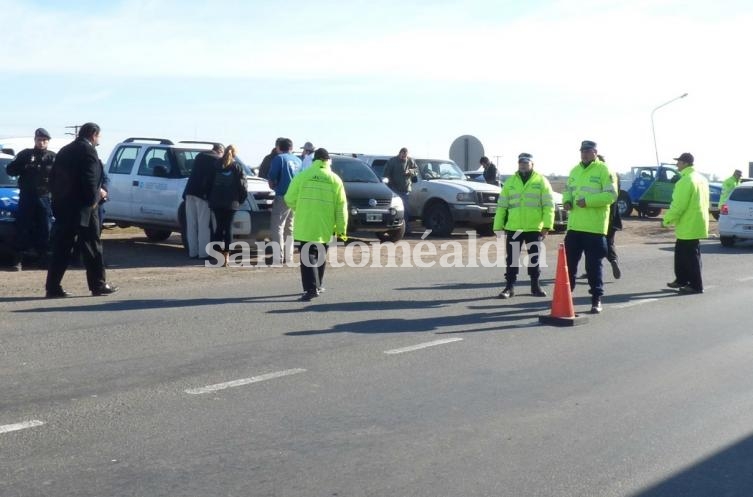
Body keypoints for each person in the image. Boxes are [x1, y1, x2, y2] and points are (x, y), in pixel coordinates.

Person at [45, 122, 118, 298]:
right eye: (99, 136)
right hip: (84, 208)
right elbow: (89, 180)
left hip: (64, 207)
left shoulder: (64, 150)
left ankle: (52, 287)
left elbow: (53, 178)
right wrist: (95, 200)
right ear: (93, 134)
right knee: (92, 247)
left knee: (61, 248)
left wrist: (58, 201)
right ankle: (98, 284)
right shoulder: (88, 151)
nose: (99, 140)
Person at [284, 148, 347, 301]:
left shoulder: (302, 176)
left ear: (314, 160)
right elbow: (341, 207)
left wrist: (299, 208)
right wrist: (341, 229)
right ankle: (318, 285)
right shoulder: (335, 179)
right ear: (328, 161)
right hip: (325, 224)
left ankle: (312, 289)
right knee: (320, 255)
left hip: (305, 223)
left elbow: (289, 198)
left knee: (308, 256)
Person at [562, 140, 617, 314]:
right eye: (582, 151)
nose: (584, 154)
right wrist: (567, 201)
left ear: (595, 152)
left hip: (594, 228)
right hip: (575, 227)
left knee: (593, 266)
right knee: (569, 265)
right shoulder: (574, 170)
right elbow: (567, 190)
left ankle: (596, 299)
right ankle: (565, 297)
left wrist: (588, 201)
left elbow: (611, 195)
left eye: (587, 151)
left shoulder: (604, 170)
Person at [493, 153, 554, 299]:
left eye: (526, 163)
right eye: (521, 163)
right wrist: (498, 226)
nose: (523, 165)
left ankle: (535, 286)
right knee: (512, 259)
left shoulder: (541, 181)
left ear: (532, 164)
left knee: (534, 259)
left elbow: (548, 205)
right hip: (514, 227)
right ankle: (509, 287)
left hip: (534, 228)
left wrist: (547, 226)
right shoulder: (510, 182)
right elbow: (502, 206)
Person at [5, 128, 57, 270]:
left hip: (45, 197)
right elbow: (10, 170)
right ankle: (18, 259)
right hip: (27, 196)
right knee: (23, 227)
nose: (42, 143)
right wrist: (24, 166)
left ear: (48, 142)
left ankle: (43, 259)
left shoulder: (53, 157)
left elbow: (61, 177)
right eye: (39, 140)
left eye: (45, 140)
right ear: (35, 140)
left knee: (45, 228)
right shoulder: (25, 154)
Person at [662, 152, 709, 294]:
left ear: (685, 163)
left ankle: (695, 285)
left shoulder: (685, 180)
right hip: (696, 222)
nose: (677, 164)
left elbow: (678, 205)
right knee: (682, 254)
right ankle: (682, 280)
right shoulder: (701, 179)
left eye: (679, 162)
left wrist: (666, 220)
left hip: (688, 223)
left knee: (690, 257)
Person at [207, 145, 247, 267]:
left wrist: (209, 197)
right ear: (234, 154)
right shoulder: (237, 167)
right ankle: (226, 257)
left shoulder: (215, 165)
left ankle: (215, 254)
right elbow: (242, 186)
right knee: (228, 228)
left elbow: (208, 182)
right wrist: (241, 199)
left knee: (219, 227)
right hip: (231, 203)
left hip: (216, 202)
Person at [183, 143, 224, 259]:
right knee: (203, 224)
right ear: (220, 151)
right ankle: (203, 253)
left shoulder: (199, 156)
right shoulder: (216, 159)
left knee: (191, 224)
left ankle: (192, 252)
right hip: (202, 194)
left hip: (189, 192)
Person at [267, 138, 301, 265]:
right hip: (296, 197)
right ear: (291, 148)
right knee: (290, 227)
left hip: (282, 195)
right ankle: (289, 256)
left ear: (278, 147)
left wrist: (274, 187)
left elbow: (271, 178)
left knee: (277, 226)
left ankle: (277, 257)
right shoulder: (298, 160)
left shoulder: (279, 158)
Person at [382, 147, 418, 222]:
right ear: (400, 153)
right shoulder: (392, 161)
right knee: (395, 209)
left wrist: (410, 171)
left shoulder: (410, 160)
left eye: (405, 156)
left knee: (405, 209)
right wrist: (388, 183)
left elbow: (416, 170)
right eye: (403, 155)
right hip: (394, 189)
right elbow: (386, 174)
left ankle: (406, 228)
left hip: (405, 189)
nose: (404, 157)